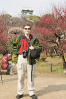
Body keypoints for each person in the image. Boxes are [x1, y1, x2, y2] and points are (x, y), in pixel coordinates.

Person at [16, 24, 40, 99]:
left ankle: (31, 92)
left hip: (31, 58)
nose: (27, 30)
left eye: (28, 28)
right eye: (25, 28)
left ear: (30, 30)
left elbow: (40, 48)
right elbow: (12, 46)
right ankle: (20, 92)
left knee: (31, 76)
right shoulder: (19, 38)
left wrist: (34, 47)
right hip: (21, 57)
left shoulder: (34, 39)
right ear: (23, 30)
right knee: (21, 76)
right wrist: (16, 54)